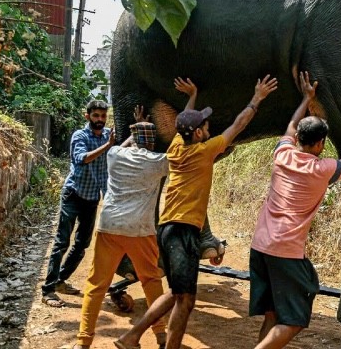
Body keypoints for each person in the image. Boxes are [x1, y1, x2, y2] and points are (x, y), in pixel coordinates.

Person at [116, 75, 278, 349]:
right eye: (205, 124)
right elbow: (239, 124)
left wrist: (192, 96)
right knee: (186, 299)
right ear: (200, 133)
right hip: (183, 232)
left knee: (177, 293)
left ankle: (130, 336)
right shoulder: (204, 152)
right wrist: (257, 98)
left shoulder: (178, 146)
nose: (208, 127)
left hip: (167, 230)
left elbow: (184, 122)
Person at [249, 72, 341, 349]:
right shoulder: (323, 169)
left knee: (273, 313)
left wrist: (307, 98)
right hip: (285, 251)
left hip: (260, 247)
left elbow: (290, 126)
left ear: (298, 138)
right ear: (321, 144)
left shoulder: (282, 154)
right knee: (295, 319)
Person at [75, 106, 172, 349]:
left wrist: (136, 128)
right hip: (140, 230)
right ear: (151, 144)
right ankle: (161, 335)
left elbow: (125, 145)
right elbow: (176, 155)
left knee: (96, 285)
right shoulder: (158, 162)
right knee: (151, 281)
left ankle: (83, 342)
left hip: (109, 226)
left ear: (134, 140)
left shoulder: (114, 155)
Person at [42, 99, 115, 308]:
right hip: (73, 195)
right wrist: (107, 145)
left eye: (103, 116)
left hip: (92, 198)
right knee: (61, 242)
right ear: (87, 116)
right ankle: (47, 290)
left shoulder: (108, 135)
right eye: (96, 116)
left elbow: (118, 151)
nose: (100, 120)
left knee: (82, 244)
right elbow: (81, 158)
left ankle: (60, 280)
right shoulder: (80, 136)